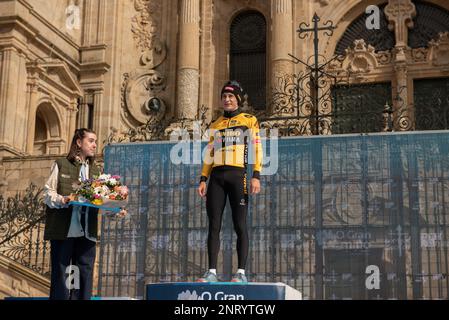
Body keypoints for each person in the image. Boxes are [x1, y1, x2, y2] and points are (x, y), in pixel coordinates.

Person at [43, 128, 127, 300]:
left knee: (85, 278)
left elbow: (101, 203)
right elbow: (47, 194)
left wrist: (116, 211)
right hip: (64, 230)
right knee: (62, 277)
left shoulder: (97, 173)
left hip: (87, 232)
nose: (95, 145)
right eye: (91, 140)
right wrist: (63, 199)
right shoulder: (61, 164)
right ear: (79, 143)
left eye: (96, 141)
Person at [197, 81, 263, 283]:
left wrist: (256, 175)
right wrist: (203, 178)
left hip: (238, 176)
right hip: (216, 178)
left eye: (231, 97)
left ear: (238, 100)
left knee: (239, 224)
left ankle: (241, 273)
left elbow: (257, 148)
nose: (227, 99)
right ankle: (211, 273)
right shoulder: (215, 124)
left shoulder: (249, 120)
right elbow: (209, 154)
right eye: (224, 96)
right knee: (214, 225)